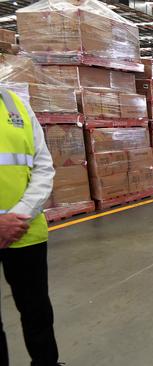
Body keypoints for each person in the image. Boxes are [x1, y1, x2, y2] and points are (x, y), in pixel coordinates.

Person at [0, 88, 61, 365]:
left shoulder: (17, 104)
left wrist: (19, 215)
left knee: (37, 312)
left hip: (25, 232)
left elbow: (43, 166)